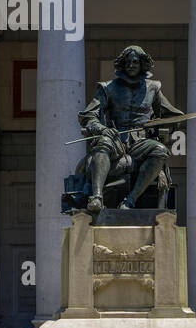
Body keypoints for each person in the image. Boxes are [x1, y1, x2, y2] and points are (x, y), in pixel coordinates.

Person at [76, 45, 184, 213]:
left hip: (142, 142)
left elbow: (172, 115)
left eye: (135, 61)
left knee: (160, 150)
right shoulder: (107, 87)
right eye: (128, 62)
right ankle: (97, 198)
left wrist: (165, 122)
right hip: (115, 138)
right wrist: (101, 129)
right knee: (103, 142)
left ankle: (130, 200)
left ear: (142, 64)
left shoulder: (153, 88)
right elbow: (88, 116)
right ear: (122, 64)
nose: (131, 65)